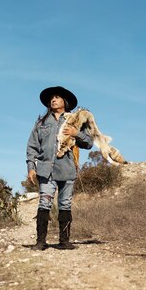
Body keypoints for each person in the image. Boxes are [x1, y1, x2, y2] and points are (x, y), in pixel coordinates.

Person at [26, 86, 93, 250]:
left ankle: (64, 241)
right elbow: (32, 146)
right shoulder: (41, 123)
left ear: (65, 101)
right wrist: (31, 167)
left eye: (57, 97)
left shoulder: (75, 120)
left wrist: (76, 133)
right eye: (52, 98)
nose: (53, 100)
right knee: (44, 204)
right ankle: (41, 242)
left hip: (67, 169)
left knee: (65, 204)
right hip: (45, 170)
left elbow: (89, 143)